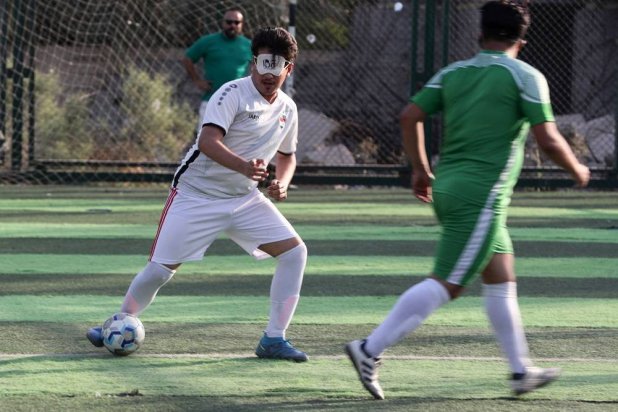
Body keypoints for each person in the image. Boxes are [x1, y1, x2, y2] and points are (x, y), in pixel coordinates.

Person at [345, 0, 590, 400]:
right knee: (449, 283)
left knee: (500, 278)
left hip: (450, 187)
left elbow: (410, 116)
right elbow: (547, 138)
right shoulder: (526, 76)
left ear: (480, 35)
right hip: (481, 196)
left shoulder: (452, 73)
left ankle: (519, 371)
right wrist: (578, 170)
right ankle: (369, 348)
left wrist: (420, 169)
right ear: (522, 41)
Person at [88, 27, 308, 362]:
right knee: (160, 270)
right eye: (263, 63)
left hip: (244, 198)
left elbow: (287, 156)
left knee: (295, 253)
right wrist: (245, 167)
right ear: (252, 64)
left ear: (288, 70)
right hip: (196, 194)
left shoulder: (288, 109)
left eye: (276, 66)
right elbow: (207, 142)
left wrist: (283, 182)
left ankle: (274, 339)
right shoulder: (230, 93)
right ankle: (118, 322)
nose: (268, 73)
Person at [181, 7, 252, 131]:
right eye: (229, 22)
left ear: (242, 24)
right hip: (211, 101)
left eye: (236, 22)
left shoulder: (249, 45)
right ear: (222, 23)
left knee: (235, 145)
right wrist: (197, 81)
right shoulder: (208, 41)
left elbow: (258, 67)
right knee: (204, 143)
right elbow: (188, 58)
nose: (232, 25)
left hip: (239, 103)